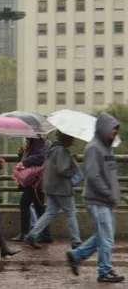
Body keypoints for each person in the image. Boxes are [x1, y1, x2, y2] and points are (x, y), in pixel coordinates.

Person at [66, 113, 124, 283]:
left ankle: (77, 256)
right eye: (113, 129)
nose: (115, 132)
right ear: (105, 128)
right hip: (97, 201)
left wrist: (114, 194)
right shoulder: (93, 148)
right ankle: (104, 271)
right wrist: (108, 193)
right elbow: (93, 176)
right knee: (106, 237)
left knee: (104, 234)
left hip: (106, 201)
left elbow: (109, 174)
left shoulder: (106, 147)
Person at [25, 131, 81, 249]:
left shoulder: (53, 149)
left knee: (50, 212)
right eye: (71, 138)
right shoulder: (62, 151)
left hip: (50, 187)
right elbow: (62, 169)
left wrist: (69, 159)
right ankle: (76, 240)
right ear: (66, 139)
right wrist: (72, 168)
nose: (73, 140)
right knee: (70, 212)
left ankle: (33, 234)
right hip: (62, 188)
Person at [12, 137, 52, 243]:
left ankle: (24, 233)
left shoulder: (37, 142)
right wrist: (21, 155)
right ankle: (46, 234)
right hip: (37, 180)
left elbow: (40, 158)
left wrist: (24, 161)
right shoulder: (34, 142)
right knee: (39, 207)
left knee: (24, 204)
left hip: (33, 181)